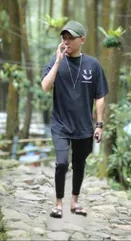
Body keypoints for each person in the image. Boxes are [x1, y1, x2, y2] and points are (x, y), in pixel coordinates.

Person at [41, 20, 108, 218]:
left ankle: (75, 202)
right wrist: (58, 61)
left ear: (82, 40)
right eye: (64, 38)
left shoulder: (93, 65)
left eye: (71, 38)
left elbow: (100, 96)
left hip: (84, 126)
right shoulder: (55, 61)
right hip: (60, 124)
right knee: (62, 162)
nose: (66, 41)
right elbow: (45, 87)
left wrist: (99, 125)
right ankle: (58, 203)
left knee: (79, 164)